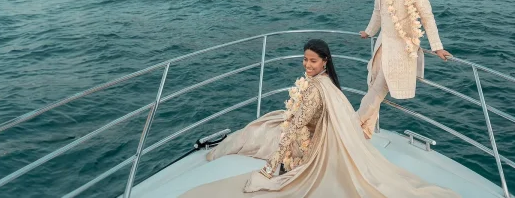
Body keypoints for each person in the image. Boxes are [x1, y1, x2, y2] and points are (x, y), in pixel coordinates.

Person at [179, 39, 459, 198]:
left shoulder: (316, 90)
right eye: (304, 60)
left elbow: (294, 129)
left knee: (255, 134)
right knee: (263, 126)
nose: (307, 65)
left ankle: (223, 150)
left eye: (312, 61)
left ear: (325, 61)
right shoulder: (327, 84)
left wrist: (271, 168)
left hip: (304, 143)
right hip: (310, 134)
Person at [357, 0, 452, 139]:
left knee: (377, 90)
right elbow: (378, 12)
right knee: (373, 84)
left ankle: (350, 127)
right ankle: (365, 132)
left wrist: (437, 47)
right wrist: (369, 32)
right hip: (383, 45)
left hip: (402, 49)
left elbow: (427, 18)